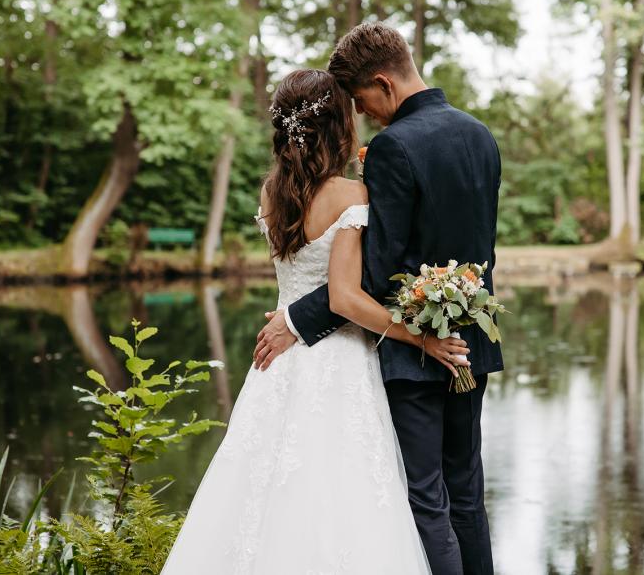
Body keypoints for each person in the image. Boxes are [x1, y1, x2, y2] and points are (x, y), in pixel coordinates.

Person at [161, 67, 468, 574]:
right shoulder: (349, 196)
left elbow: (300, 283)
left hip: (278, 362)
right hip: (338, 364)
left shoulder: (270, 193)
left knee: (260, 493)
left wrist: (292, 316)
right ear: (338, 126)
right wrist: (420, 339)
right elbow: (346, 298)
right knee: (341, 497)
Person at [254, 23, 503, 575]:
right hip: (472, 344)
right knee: (467, 496)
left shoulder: (394, 146)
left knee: (426, 499)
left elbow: (374, 266)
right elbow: (480, 246)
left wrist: (297, 317)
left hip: (414, 352)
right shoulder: (479, 134)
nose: (361, 113)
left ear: (384, 84)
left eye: (362, 98)